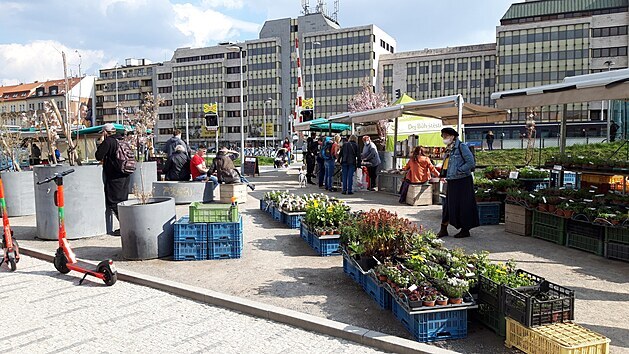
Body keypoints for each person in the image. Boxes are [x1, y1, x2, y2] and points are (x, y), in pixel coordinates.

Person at [437, 127, 479, 238]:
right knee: (448, 205)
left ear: (452, 136)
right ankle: (443, 229)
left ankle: (465, 230)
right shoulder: (448, 149)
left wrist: (459, 170)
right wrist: (444, 173)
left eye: (445, 136)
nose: (444, 138)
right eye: (443, 136)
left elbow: (470, 162)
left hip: (463, 180)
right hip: (452, 180)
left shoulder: (461, 146)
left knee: (463, 205)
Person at [95, 123, 131, 236]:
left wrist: (101, 142)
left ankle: (126, 227)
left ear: (105, 132)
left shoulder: (108, 141)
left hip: (114, 176)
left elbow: (98, 156)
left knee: (114, 202)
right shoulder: (122, 140)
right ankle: (126, 225)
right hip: (126, 173)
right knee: (123, 201)